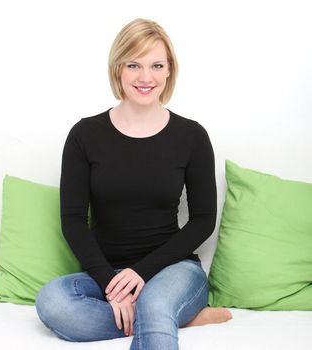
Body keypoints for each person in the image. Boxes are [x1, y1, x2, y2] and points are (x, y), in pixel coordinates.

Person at [35, 18, 232, 349]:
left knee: (155, 302)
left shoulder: (192, 136)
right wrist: (111, 284)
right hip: (107, 273)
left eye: (156, 65)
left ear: (169, 71)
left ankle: (161, 312)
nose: (146, 77)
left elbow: (202, 221)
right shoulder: (84, 135)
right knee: (53, 302)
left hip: (173, 270)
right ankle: (179, 318)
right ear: (118, 69)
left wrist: (140, 273)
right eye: (134, 65)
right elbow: (72, 220)